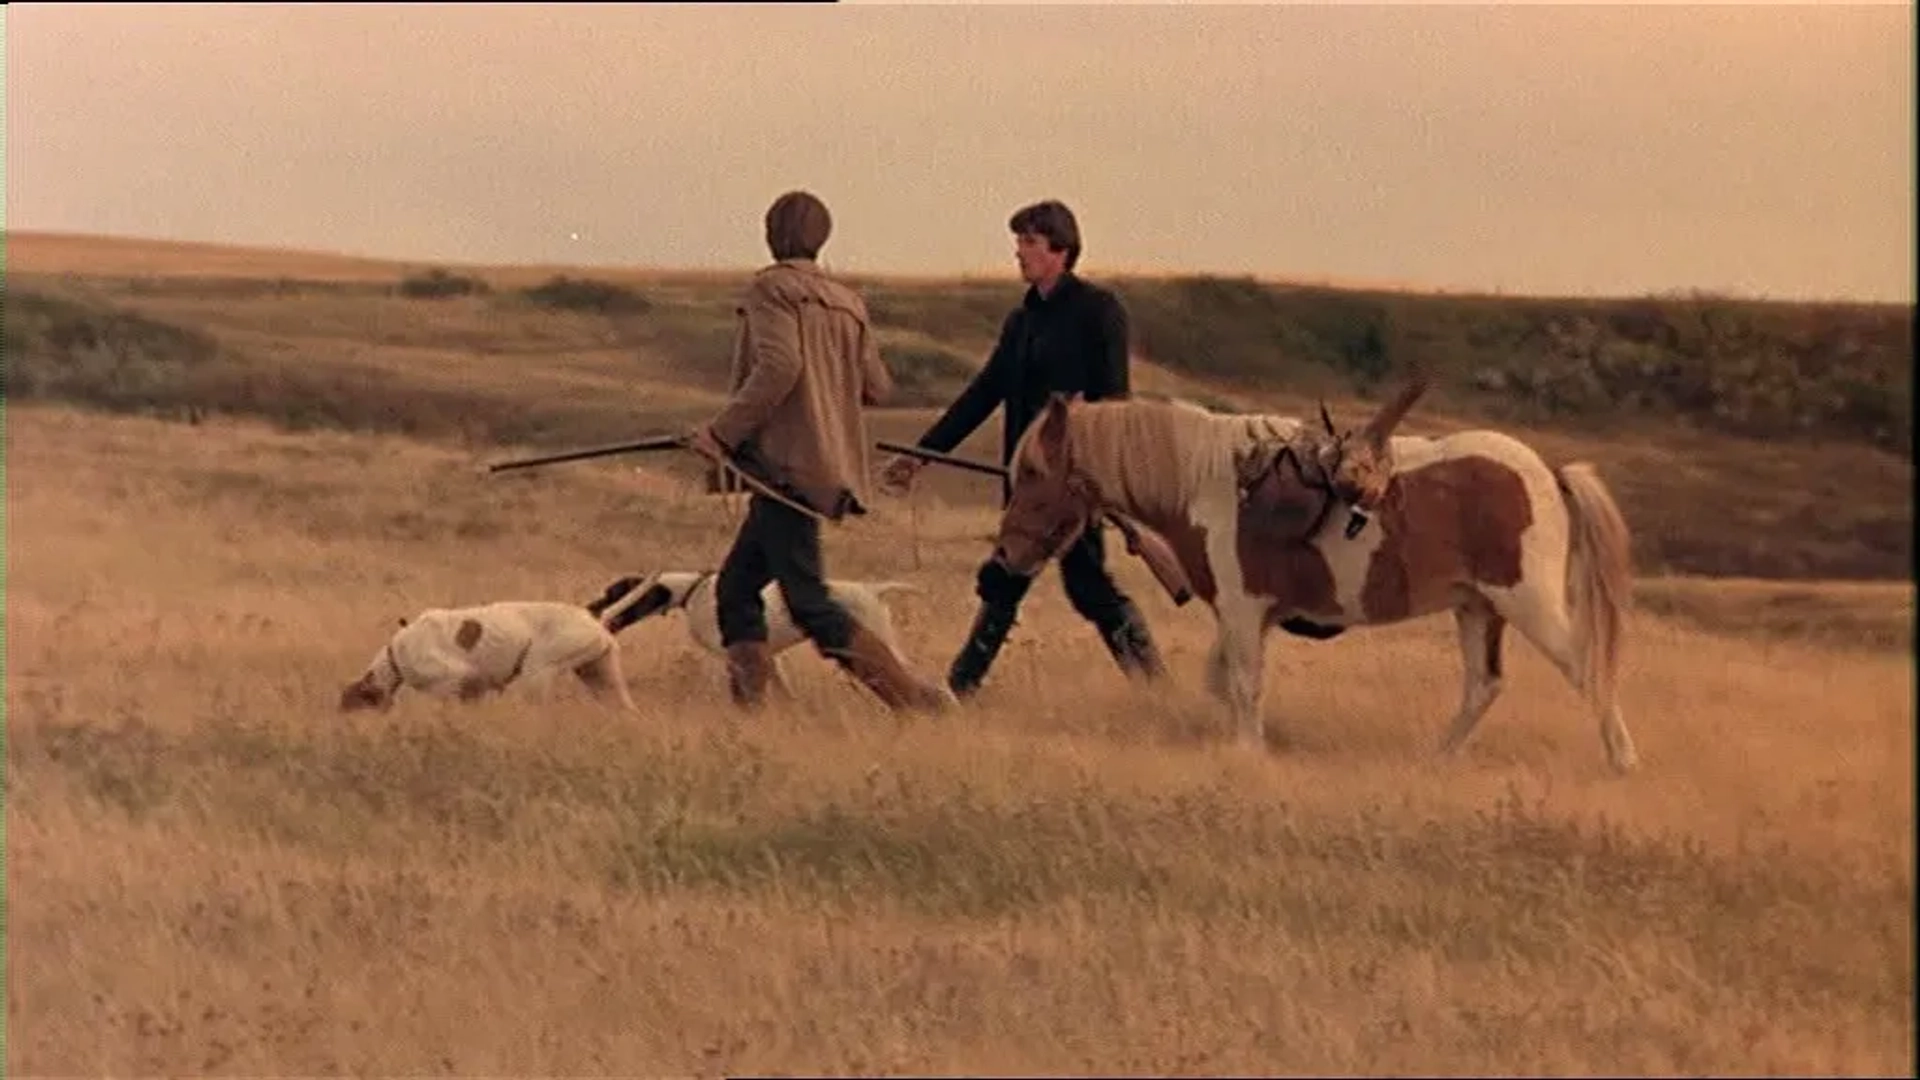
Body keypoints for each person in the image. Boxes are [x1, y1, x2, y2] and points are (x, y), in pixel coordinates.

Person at [877, 199, 1167, 699]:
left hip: (1073, 485)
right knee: (1012, 581)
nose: (1019, 252)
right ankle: (959, 692)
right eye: (1019, 242)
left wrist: (1082, 429)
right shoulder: (1022, 321)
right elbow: (983, 394)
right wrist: (922, 454)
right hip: (1027, 485)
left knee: (1083, 586)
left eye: (1030, 242)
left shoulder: (1099, 310)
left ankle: (960, 692)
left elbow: (1116, 400)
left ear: (1062, 249)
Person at [688, 190, 951, 714]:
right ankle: (751, 717)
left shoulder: (771, 289)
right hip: (823, 468)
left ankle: (914, 700)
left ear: (771, 233)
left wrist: (720, 433)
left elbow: (780, 367)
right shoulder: (847, 300)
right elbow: (877, 387)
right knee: (737, 589)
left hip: (783, 468)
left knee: (808, 602)